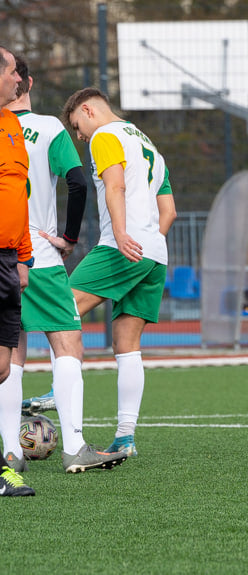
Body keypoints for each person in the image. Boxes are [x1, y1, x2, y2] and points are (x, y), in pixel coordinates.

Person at [1, 56, 127, 474]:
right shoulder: (51, 128)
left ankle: (11, 453)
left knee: (10, 350)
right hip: (36, 250)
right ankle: (74, 446)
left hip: (3, 252)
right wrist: (70, 238)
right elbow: (76, 182)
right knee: (68, 341)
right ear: (27, 82)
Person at [58, 87, 177, 457]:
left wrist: (124, 235)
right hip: (155, 253)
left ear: (89, 110)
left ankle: (55, 390)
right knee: (126, 345)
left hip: (122, 246)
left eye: (78, 126)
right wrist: (148, 242)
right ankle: (125, 437)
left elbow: (115, 185)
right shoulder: (149, 145)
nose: (79, 136)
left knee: (60, 309)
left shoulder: (105, 136)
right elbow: (169, 211)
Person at [0, 45, 35, 496]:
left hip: (9, 259)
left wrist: (23, 256)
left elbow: (18, 195)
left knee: (4, 369)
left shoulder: (12, 126)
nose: (19, 79)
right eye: (12, 72)